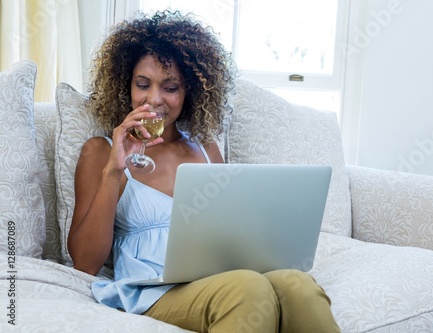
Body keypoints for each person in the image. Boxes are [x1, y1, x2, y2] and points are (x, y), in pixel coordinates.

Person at [68, 10, 340, 333]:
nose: (154, 99)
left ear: (189, 92)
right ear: (126, 84)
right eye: (143, 84)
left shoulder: (207, 150)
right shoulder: (100, 151)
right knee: (248, 290)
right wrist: (114, 171)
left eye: (170, 88)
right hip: (152, 290)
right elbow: (85, 262)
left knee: (299, 284)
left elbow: (232, 231)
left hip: (219, 277)